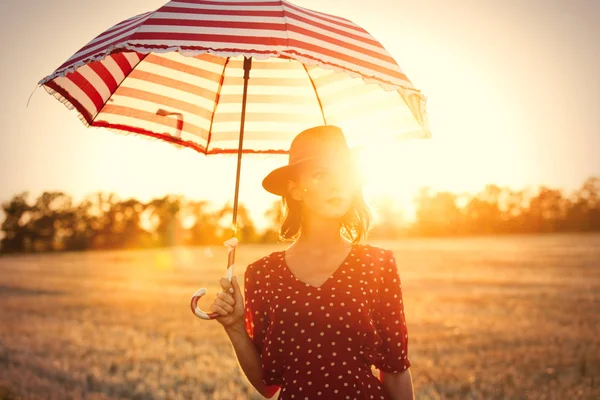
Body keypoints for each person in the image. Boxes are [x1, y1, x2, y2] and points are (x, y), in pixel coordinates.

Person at [209, 125, 415, 400]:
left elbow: (395, 369)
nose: (336, 185)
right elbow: (267, 385)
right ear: (295, 190)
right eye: (320, 174)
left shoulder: (377, 264)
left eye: (344, 174)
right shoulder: (263, 274)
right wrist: (234, 327)